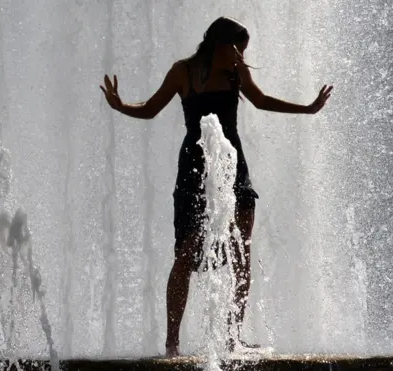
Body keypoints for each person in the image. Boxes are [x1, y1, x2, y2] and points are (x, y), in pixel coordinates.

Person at [100, 16, 333, 357]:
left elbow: (262, 100)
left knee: (242, 253)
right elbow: (151, 108)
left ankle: (232, 337)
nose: (241, 54)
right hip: (194, 168)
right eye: (237, 47)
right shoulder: (183, 71)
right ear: (217, 44)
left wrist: (308, 109)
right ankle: (172, 343)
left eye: (244, 49)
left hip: (232, 166)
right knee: (184, 254)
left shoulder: (236, 72)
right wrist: (121, 106)